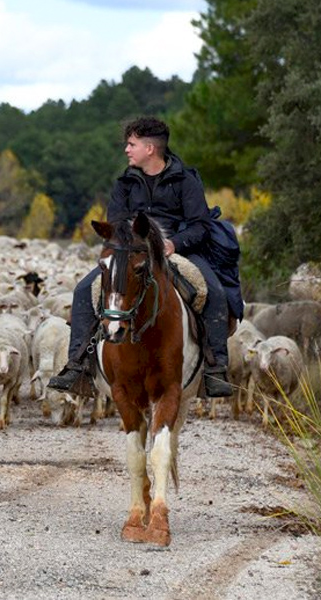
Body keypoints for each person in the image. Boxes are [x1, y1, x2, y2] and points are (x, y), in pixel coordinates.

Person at [47, 117, 234, 398]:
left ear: (150, 148)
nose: (126, 149)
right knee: (84, 290)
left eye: (131, 144)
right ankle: (78, 366)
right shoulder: (125, 183)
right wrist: (130, 244)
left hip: (178, 250)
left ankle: (215, 369)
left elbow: (200, 225)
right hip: (131, 253)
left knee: (215, 291)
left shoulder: (186, 180)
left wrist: (174, 243)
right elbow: (116, 223)